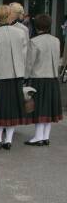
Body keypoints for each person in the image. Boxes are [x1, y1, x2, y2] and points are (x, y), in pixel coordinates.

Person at [0, 4, 29, 149]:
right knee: (13, 108)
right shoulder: (21, 33)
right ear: (10, 16)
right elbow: (24, 55)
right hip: (17, 75)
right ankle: (8, 140)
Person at [24, 13, 63, 146]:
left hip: (38, 78)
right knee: (49, 109)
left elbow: (29, 63)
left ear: (36, 26)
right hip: (53, 78)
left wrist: (24, 78)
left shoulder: (34, 41)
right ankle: (45, 137)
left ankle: (38, 137)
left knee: (40, 108)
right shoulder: (56, 40)